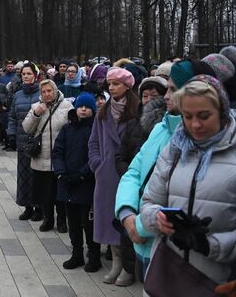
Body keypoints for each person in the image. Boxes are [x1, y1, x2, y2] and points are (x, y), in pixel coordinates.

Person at [114, 60, 215, 282]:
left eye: (173, 89)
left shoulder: (200, 140)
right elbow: (134, 172)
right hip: (143, 244)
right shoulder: (160, 128)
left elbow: (180, 199)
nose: (166, 96)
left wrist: (139, 226)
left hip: (173, 252)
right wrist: (127, 213)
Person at [140, 75, 236, 286]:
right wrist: (158, 219)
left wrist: (211, 246)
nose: (195, 125)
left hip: (218, 282)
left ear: (222, 111)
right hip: (167, 274)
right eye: (187, 116)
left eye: (204, 115)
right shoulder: (174, 149)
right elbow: (147, 203)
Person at [88, 67, 140, 285]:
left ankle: (129, 266)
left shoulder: (137, 110)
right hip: (107, 174)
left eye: (116, 84)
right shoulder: (103, 111)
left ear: (127, 86)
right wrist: (97, 163)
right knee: (109, 219)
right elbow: (93, 142)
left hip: (128, 172)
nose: (111, 88)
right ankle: (116, 261)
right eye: (109, 84)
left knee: (126, 217)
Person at [51, 93, 101, 272]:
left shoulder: (97, 129)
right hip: (66, 182)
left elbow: (97, 155)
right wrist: (60, 171)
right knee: (72, 223)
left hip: (86, 183)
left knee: (88, 223)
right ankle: (77, 254)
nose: (84, 109)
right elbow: (57, 151)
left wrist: (82, 174)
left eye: (87, 107)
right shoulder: (67, 129)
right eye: (81, 106)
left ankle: (94, 256)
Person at [23, 79, 73, 232]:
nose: (47, 94)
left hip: (61, 157)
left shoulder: (67, 106)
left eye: (49, 91)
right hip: (42, 157)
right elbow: (27, 128)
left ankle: (62, 220)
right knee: (46, 193)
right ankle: (48, 219)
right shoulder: (35, 107)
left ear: (55, 90)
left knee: (61, 192)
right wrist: (37, 113)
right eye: (43, 92)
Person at [8, 63, 42, 220]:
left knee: (38, 176)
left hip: (39, 142)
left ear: (35, 75)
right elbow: (12, 117)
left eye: (29, 73)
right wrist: (11, 133)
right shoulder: (18, 95)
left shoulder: (42, 94)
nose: (26, 76)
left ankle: (39, 207)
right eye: (23, 74)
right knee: (24, 175)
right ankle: (27, 206)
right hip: (22, 142)